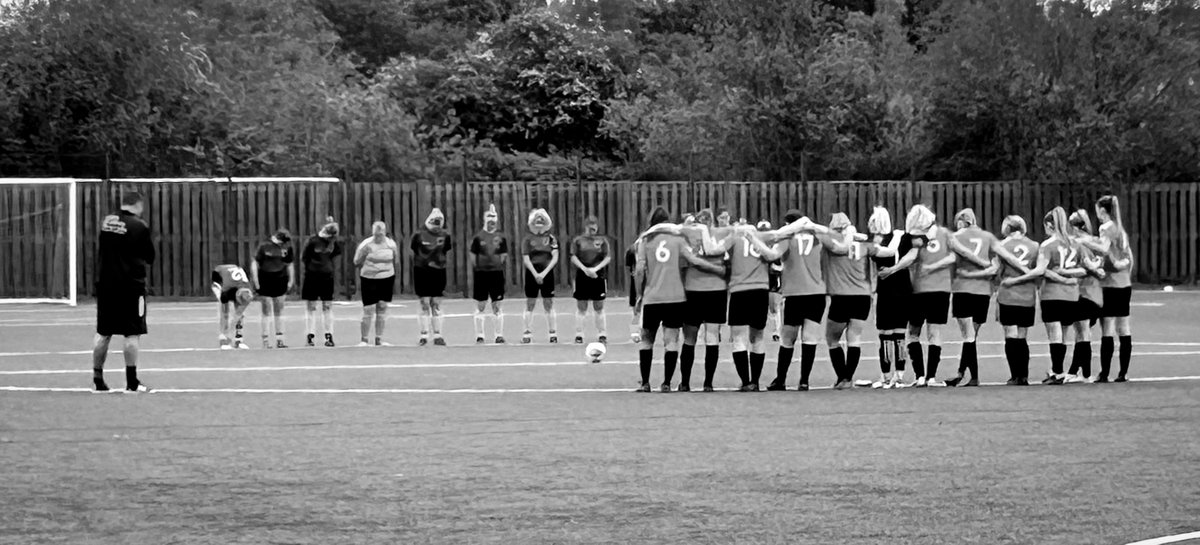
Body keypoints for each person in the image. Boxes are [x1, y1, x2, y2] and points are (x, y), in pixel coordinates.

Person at [634, 206, 725, 392]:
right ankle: (667, 382)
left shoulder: (646, 240)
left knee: (646, 341)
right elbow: (693, 260)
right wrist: (717, 269)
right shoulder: (677, 239)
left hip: (652, 297)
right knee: (672, 341)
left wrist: (639, 294)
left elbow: (639, 270)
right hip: (675, 296)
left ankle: (645, 382)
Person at [765, 209, 837, 391]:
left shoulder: (787, 239)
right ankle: (804, 380)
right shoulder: (818, 237)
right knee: (809, 338)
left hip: (795, 293)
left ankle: (780, 379)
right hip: (816, 292)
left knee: (787, 339)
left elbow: (772, 255)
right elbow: (837, 244)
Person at [93, 191, 155, 393]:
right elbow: (149, 256)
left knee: (104, 332)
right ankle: (131, 381)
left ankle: (98, 378)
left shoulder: (107, 221)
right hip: (131, 286)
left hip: (106, 284)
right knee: (132, 332)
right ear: (138, 205)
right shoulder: (139, 225)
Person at [824, 214, 892, 389]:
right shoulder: (864, 245)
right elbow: (888, 252)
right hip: (862, 296)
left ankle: (842, 377)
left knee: (832, 339)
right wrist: (897, 237)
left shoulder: (832, 244)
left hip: (841, 295)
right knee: (854, 338)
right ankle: (848, 377)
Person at [944, 208, 1000, 387]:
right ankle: (961, 373)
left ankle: (972, 376)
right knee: (971, 336)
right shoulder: (987, 236)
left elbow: (953, 258)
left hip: (963, 288)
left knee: (968, 337)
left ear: (961, 221)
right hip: (983, 291)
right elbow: (996, 263)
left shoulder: (956, 237)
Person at [729, 220, 785, 392]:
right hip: (760, 289)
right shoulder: (764, 238)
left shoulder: (734, 239)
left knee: (738, 338)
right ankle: (755, 381)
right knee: (758, 337)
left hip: (739, 289)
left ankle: (745, 382)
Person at [1035, 207, 1087, 384]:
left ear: (1049, 224)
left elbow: (1043, 270)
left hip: (1052, 293)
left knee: (1054, 333)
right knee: (1064, 333)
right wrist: (1070, 277)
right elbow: (1085, 268)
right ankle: (1059, 370)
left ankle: (1057, 371)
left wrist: (1061, 278)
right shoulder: (1075, 244)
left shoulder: (1048, 245)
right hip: (1071, 295)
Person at [904, 205, 954, 387]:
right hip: (940, 289)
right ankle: (930, 377)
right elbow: (954, 256)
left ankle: (921, 376)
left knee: (914, 333)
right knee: (934, 333)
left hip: (919, 288)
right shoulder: (945, 233)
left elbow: (909, 258)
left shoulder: (914, 237)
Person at [870, 207, 915, 389]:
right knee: (899, 333)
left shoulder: (878, 242)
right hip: (903, 288)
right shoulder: (903, 237)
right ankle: (899, 375)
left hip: (887, 290)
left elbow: (882, 258)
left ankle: (886, 376)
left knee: (885, 334)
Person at [1093, 195, 1134, 382]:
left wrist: (1085, 242)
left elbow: (1103, 249)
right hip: (1124, 283)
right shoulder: (1121, 230)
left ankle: (1105, 373)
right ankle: (1123, 372)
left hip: (1110, 283)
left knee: (1107, 328)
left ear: (1102, 210)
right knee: (1124, 328)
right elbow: (1128, 258)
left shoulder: (1106, 228)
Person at [995, 216, 1040, 385]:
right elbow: (1037, 269)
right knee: (1022, 336)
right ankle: (1024, 376)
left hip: (1008, 293)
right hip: (1027, 294)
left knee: (1010, 335)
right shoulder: (1035, 246)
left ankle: (1014, 375)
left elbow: (998, 270)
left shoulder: (1002, 246)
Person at [1064, 209, 1106, 383]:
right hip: (1097, 294)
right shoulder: (1096, 241)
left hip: (1083, 293)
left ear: (1073, 227)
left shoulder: (1076, 243)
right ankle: (1075, 371)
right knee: (1083, 333)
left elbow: (1087, 266)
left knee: (1082, 333)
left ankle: (1085, 374)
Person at [354, 221, 400, 347]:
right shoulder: (366, 245)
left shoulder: (391, 244)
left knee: (382, 306)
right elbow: (357, 261)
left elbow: (395, 260)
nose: (378, 237)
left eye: (381, 234)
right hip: (369, 278)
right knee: (368, 309)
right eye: (376, 235)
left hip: (386, 278)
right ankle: (364, 339)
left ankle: (379, 339)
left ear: (384, 233)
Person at [411, 208, 452, 346]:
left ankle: (438, 334)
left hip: (438, 272)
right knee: (424, 303)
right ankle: (423, 334)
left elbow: (445, 250)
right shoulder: (418, 235)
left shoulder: (445, 236)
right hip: (421, 271)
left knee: (436, 303)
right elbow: (414, 250)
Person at [470, 204, 508, 344]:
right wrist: (480, 266)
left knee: (497, 305)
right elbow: (473, 256)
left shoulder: (501, 237)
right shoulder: (478, 237)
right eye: (489, 218)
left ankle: (499, 335)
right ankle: (480, 335)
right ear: (484, 219)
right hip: (481, 274)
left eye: (494, 218)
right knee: (481, 305)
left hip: (496, 273)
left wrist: (496, 263)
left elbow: (504, 255)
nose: (491, 221)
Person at [570, 216, 612, 344]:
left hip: (598, 275)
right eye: (590, 227)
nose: (592, 229)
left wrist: (595, 269)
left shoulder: (602, 240)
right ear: (586, 226)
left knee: (598, 306)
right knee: (581, 306)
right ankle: (579, 334)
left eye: (594, 227)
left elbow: (607, 257)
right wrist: (585, 269)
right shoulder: (578, 241)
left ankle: (602, 334)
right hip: (582, 276)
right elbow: (573, 257)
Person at [301, 218, 341, 347]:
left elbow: (335, 257)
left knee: (327, 306)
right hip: (312, 276)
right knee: (311, 306)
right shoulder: (313, 241)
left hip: (327, 277)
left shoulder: (333, 242)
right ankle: (310, 336)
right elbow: (304, 258)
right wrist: (312, 268)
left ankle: (329, 335)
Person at [252, 228, 295, 348]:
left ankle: (280, 339)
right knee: (266, 310)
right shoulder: (264, 246)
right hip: (265, 279)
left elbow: (289, 264)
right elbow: (255, 263)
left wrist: (291, 280)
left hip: (280, 279)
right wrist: (256, 281)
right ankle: (265, 340)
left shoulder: (287, 248)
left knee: (279, 309)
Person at [522, 208, 560, 343]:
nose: (539, 222)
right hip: (532, 272)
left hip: (547, 273)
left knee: (548, 302)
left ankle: (552, 333)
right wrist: (535, 274)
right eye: (536, 220)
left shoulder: (551, 239)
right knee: (530, 302)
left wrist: (544, 273)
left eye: (541, 220)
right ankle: (527, 333)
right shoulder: (528, 239)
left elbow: (555, 257)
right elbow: (526, 258)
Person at [211, 264, 255, 350]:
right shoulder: (227, 290)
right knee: (225, 313)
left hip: (236, 285)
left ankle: (238, 340)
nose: (240, 304)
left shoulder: (248, 294)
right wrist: (228, 339)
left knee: (240, 316)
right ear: (237, 296)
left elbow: (237, 316)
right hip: (218, 277)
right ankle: (223, 339)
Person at [625, 241, 642, 344]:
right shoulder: (632, 250)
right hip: (636, 283)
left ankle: (640, 331)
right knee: (636, 309)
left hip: (650, 283)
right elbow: (629, 268)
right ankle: (635, 332)